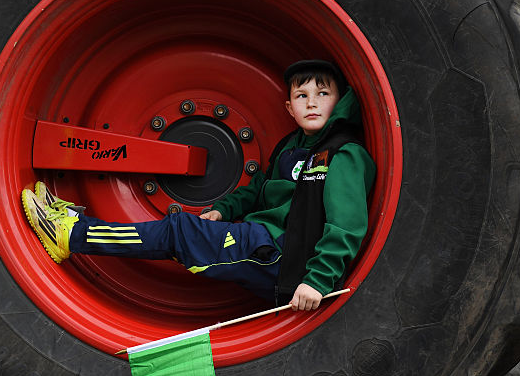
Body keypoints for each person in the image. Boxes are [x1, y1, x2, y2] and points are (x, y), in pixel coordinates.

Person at [21, 60, 376, 311]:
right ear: (289, 106)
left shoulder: (343, 154)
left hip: (283, 255)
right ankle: (71, 227)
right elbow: (257, 191)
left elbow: (346, 226)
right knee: (187, 231)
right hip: (260, 239)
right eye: (302, 96)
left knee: (179, 231)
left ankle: (71, 234)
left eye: (323, 93)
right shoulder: (288, 147)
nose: (312, 102)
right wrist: (225, 209)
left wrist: (317, 281)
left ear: (339, 99)